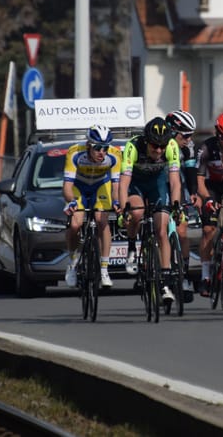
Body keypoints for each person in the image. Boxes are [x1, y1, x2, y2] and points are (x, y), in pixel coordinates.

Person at [118, 116, 182, 304]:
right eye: (155, 146)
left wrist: (176, 205)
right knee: (137, 212)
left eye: (162, 146)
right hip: (136, 185)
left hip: (157, 184)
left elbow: (175, 181)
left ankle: (165, 281)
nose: (159, 150)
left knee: (162, 230)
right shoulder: (133, 146)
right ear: (146, 141)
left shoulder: (171, 146)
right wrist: (124, 210)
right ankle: (131, 246)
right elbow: (123, 184)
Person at [63, 125, 122, 289]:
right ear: (88, 145)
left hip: (100, 184)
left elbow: (116, 186)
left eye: (105, 147)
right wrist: (71, 201)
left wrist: (117, 202)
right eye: (97, 148)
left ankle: (104, 269)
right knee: (75, 224)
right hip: (79, 186)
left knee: (101, 220)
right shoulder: (75, 152)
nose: (102, 152)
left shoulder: (115, 155)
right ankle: (73, 263)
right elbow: (67, 187)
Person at [195, 111, 223, 297]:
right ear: (216, 133)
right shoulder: (206, 148)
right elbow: (199, 181)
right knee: (208, 230)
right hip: (211, 187)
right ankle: (205, 276)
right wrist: (207, 199)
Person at [165, 109, 199, 302]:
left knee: (182, 230)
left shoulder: (189, 146)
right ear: (172, 131)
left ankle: (183, 274)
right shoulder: (161, 143)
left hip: (180, 184)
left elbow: (191, 169)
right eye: (185, 135)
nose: (189, 139)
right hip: (160, 184)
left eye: (191, 135)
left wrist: (193, 193)